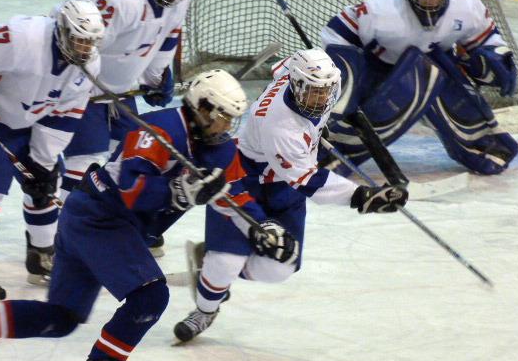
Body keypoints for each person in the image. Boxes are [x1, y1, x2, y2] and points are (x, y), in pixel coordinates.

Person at [0, 69, 294, 361]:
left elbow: (234, 194)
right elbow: (132, 188)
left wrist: (262, 226)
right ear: (202, 107)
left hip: (98, 222)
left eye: (232, 119)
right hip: (99, 217)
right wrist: (178, 191)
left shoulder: (219, 148)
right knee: (150, 296)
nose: (227, 127)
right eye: (223, 117)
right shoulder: (161, 129)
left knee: (62, 317)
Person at [173, 48, 409, 343]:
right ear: (296, 84)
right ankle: (205, 309)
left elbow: (284, 66)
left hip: (283, 190)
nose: (321, 99)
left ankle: (213, 268)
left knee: (278, 267)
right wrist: (363, 196)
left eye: (325, 91)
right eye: (313, 92)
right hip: (245, 180)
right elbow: (308, 181)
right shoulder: (280, 126)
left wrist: (317, 128)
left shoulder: (305, 81)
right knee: (224, 263)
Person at [0, 0, 105, 305]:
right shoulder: (23, 38)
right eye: (80, 40)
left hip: (29, 119)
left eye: (91, 42)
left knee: (45, 182)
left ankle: (41, 256)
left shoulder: (89, 65)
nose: (85, 49)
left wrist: (43, 160)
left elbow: (65, 113)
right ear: (62, 31)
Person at [320, 0, 518, 176]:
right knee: (374, 116)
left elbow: (487, 38)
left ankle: (482, 147)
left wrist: (494, 58)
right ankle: (331, 152)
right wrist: (345, 72)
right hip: (380, 67)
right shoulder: (382, 8)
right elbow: (338, 32)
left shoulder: (465, 3)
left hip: (436, 63)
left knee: (460, 106)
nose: (430, 0)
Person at [58, 0, 194, 258]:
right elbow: (81, 45)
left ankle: (123, 228)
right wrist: (81, 90)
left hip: (117, 91)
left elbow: (167, 36)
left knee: (130, 156)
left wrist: (155, 77)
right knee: (82, 163)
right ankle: (62, 239)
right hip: (83, 87)